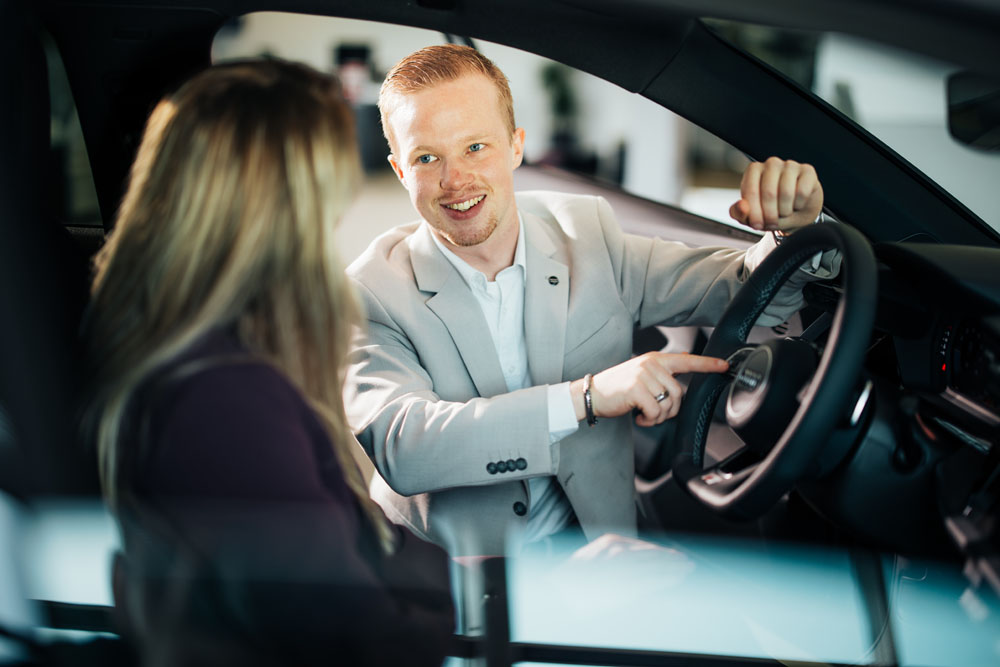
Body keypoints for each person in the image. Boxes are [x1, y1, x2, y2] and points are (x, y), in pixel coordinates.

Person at [344, 44, 838, 559]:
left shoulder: (587, 233)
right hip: (462, 581)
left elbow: (741, 290)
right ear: (401, 170)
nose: (455, 181)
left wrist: (792, 235)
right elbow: (406, 450)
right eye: (427, 158)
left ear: (515, 147)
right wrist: (586, 398)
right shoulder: (369, 291)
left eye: (475, 147)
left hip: (608, 545)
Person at [83, 59, 455, 666]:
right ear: (286, 217)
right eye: (329, 201)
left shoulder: (199, 366)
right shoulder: (225, 401)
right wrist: (488, 589)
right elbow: (356, 640)